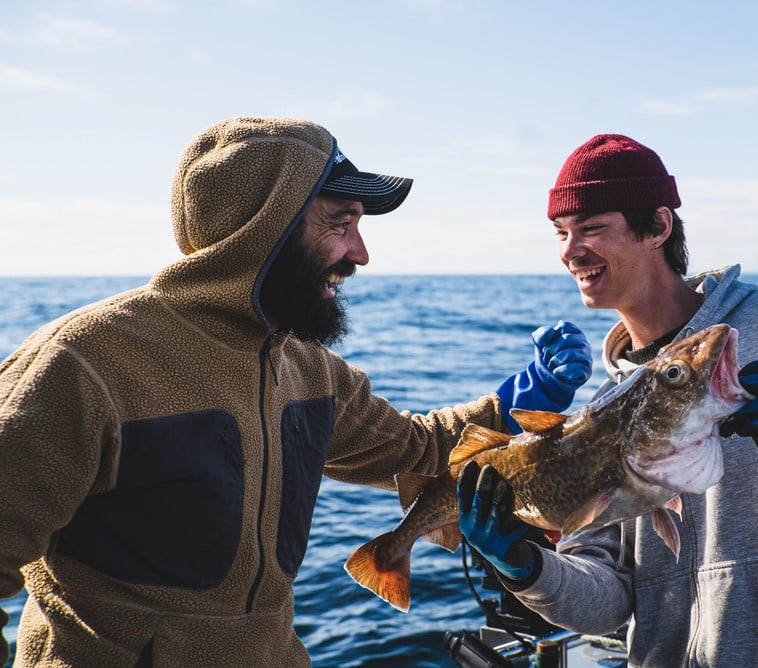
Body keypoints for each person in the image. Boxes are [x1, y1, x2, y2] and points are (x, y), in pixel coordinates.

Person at [0, 117, 593, 666]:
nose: (361, 253)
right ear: (262, 232)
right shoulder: (81, 365)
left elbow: (419, 451)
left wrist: (525, 395)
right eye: (340, 224)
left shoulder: (310, 370)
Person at [457, 133, 758, 666]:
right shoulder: (609, 405)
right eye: (561, 233)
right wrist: (523, 565)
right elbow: (607, 601)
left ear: (658, 226)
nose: (570, 250)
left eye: (591, 228)